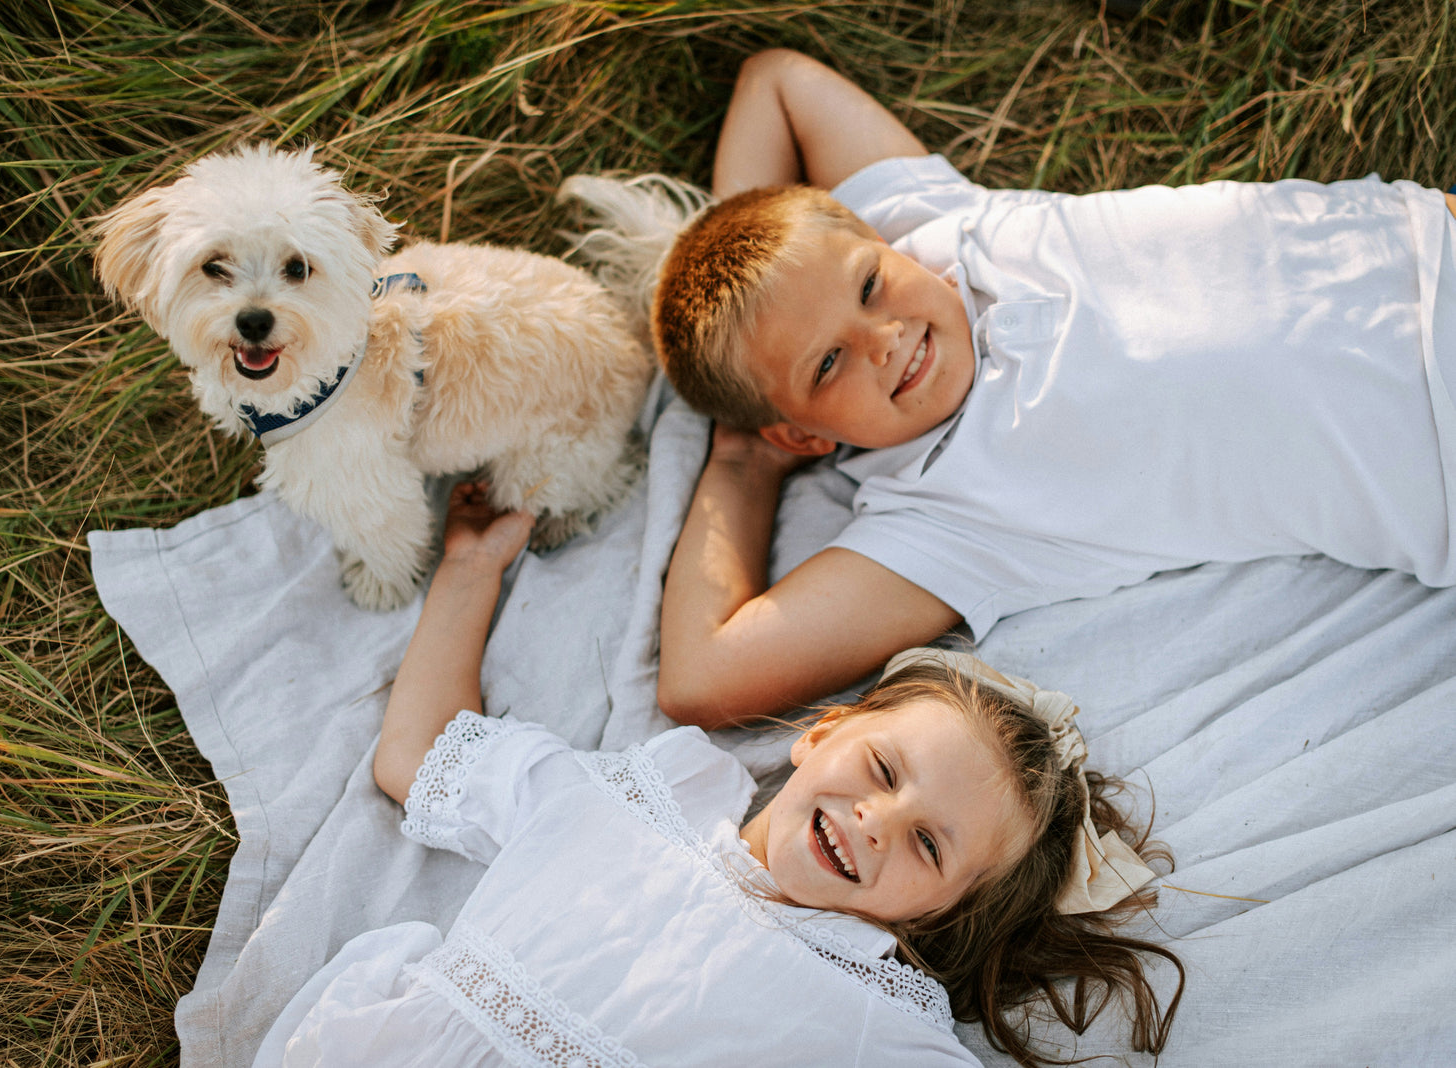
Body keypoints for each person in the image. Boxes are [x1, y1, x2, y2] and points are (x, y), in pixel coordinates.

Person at [653, 48, 1456, 727]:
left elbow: (776, 82)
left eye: (869, 287)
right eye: (826, 365)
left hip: (1431, 247)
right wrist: (743, 462)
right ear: (801, 434)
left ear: (876, 240)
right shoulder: (936, 524)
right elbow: (701, 678)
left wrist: (751, 258)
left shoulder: (932, 224)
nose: (885, 339)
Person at [252, 484, 1183, 1068]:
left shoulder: (869, 1014)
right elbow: (416, 756)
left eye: (928, 845)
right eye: (885, 770)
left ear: (936, 915)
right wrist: (470, 568)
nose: (873, 821)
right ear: (821, 735)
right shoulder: (628, 804)